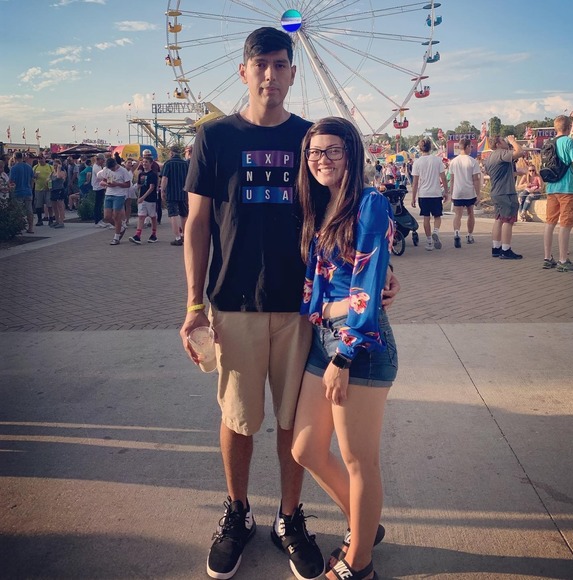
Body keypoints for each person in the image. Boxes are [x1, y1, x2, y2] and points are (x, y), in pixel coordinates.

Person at [179, 26, 401, 580]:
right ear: (244, 71)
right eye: (261, 65)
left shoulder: (309, 139)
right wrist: (193, 304)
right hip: (234, 299)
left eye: (280, 65)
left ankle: (289, 515)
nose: (270, 75)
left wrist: (380, 271)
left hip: (303, 307)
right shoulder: (214, 136)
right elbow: (197, 223)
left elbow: (345, 213)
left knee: (291, 424)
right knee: (237, 416)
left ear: (293, 73)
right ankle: (237, 513)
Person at [291, 117, 397, 580]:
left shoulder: (369, 203)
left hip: (359, 344)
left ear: (352, 153)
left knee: (358, 460)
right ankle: (364, 524)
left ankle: (360, 563)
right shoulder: (322, 204)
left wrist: (343, 355)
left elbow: (367, 286)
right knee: (306, 449)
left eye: (333, 150)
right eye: (315, 152)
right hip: (323, 339)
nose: (322, 160)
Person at [542, 115, 573, 272]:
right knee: (565, 224)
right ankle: (563, 260)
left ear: (555, 127)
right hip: (567, 188)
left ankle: (547, 258)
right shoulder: (569, 142)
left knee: (550, 223)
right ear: (569, 127)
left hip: (552, 188)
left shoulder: (548, 143)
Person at [484, 135, 526, 259]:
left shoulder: (489, 157)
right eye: (503, 140)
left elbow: (498, 173)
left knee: (498, 219)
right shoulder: (502, 153)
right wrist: (513, 141)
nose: (505, 142)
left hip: (496, 192)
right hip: (506, 192)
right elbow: (520, 152)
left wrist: (517, 173)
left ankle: (496, 247)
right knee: (508, 220)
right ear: (497, 144)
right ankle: (506, 249)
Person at [411, 138, 449, 250]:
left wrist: (413, 198)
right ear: (430, 147)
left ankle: (429, 242)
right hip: (436, 193)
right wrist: (446, 192)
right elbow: (443, 178)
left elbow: (415, 183)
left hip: (423, 194)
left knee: (426, 218)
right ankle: (436, 231)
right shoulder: (437, 160)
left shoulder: (417, 162)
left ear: (420, 148)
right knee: (437, 216)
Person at [449, 139, 481, 247]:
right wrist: (478, 194)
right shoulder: (473, 161)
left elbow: (452, 179)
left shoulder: (453, 162)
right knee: (470, 213)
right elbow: (476, 179)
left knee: (457, 214)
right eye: (471, 146)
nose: (471, 148)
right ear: (467, 147)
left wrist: (451, 193)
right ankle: (469, 235)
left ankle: (456, 233)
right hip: (469, 191)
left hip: (457, 191)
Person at [98, 157, 131, 245]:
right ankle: (121, 228)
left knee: (116, 216)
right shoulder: (106, 169)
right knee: (107, 216)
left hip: (119, 195)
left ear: (116, 164)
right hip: (109, 194)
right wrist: (106, 184)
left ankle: (116, 237)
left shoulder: (123, 171)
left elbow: (128, 184)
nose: (112, 170)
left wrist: (117, 184)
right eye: (110, 169)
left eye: (113, 168)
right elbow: (103, 181)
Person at [160, 145, 189, 246]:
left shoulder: (168, 163)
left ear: (171, 153)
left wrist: (162, 190)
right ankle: (184, 235)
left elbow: (164, 178)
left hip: (171, 193)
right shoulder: (185, 164)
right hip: (183, 193)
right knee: (184, 215)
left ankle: (177, 237)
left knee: (173, 215)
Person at [129, 156, 159, 244]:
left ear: (151, 163)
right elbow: (139, 185)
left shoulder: (153, 174)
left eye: (146, 162)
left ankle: (154, 234)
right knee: (141, 216)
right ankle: (137, 235)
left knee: (152, 216)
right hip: (142, 199)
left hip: (151, 199)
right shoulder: (141, 174)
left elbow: (151, 187)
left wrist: (143, 197)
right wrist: (138, 195)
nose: (144, 164)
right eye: (143, 162)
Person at [8, 151, 35, 234]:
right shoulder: (29, 167)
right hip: (28, 191)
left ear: (14, 158)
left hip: (18, 191)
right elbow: (32, 179)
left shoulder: (14, 168)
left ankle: (19, 227)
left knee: (18, 210)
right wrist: (30, 188)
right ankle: (31, 228)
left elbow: (11, 181)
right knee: (29, 210)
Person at [32, 155, 54, 227]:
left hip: (48, 188)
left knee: (49, 204)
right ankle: (39, 220)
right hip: (38, 188)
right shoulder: (35, 167)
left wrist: (50, 180)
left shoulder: (50, 167)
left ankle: (51, 219)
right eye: (38, 159)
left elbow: (54, 175)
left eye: (41, 158)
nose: (40, 160)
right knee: (38, 204)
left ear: (45, 159)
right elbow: (32, 177)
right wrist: (35, 177)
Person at [49, 159, 67, 228]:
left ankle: (61, 221)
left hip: (59, 189)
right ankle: (56, 220)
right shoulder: (52, 173)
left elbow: (59, 177)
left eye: (56, 165)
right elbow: (49, 179)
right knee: (54, 206)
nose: (55, 167)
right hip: (53, 190)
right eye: (54, 165)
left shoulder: (62, 172)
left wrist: (59, 169)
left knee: (60, 206)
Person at [91, 154, 108, 228]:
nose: (103, 161)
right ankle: (97, 221)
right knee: (97, 204)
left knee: (100, 204)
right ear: (98, 160)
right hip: (97, 187)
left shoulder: (99, 166)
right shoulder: (96, 167)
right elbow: (101, 176)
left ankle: (100, 219)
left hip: (100, 187)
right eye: (102, 160)